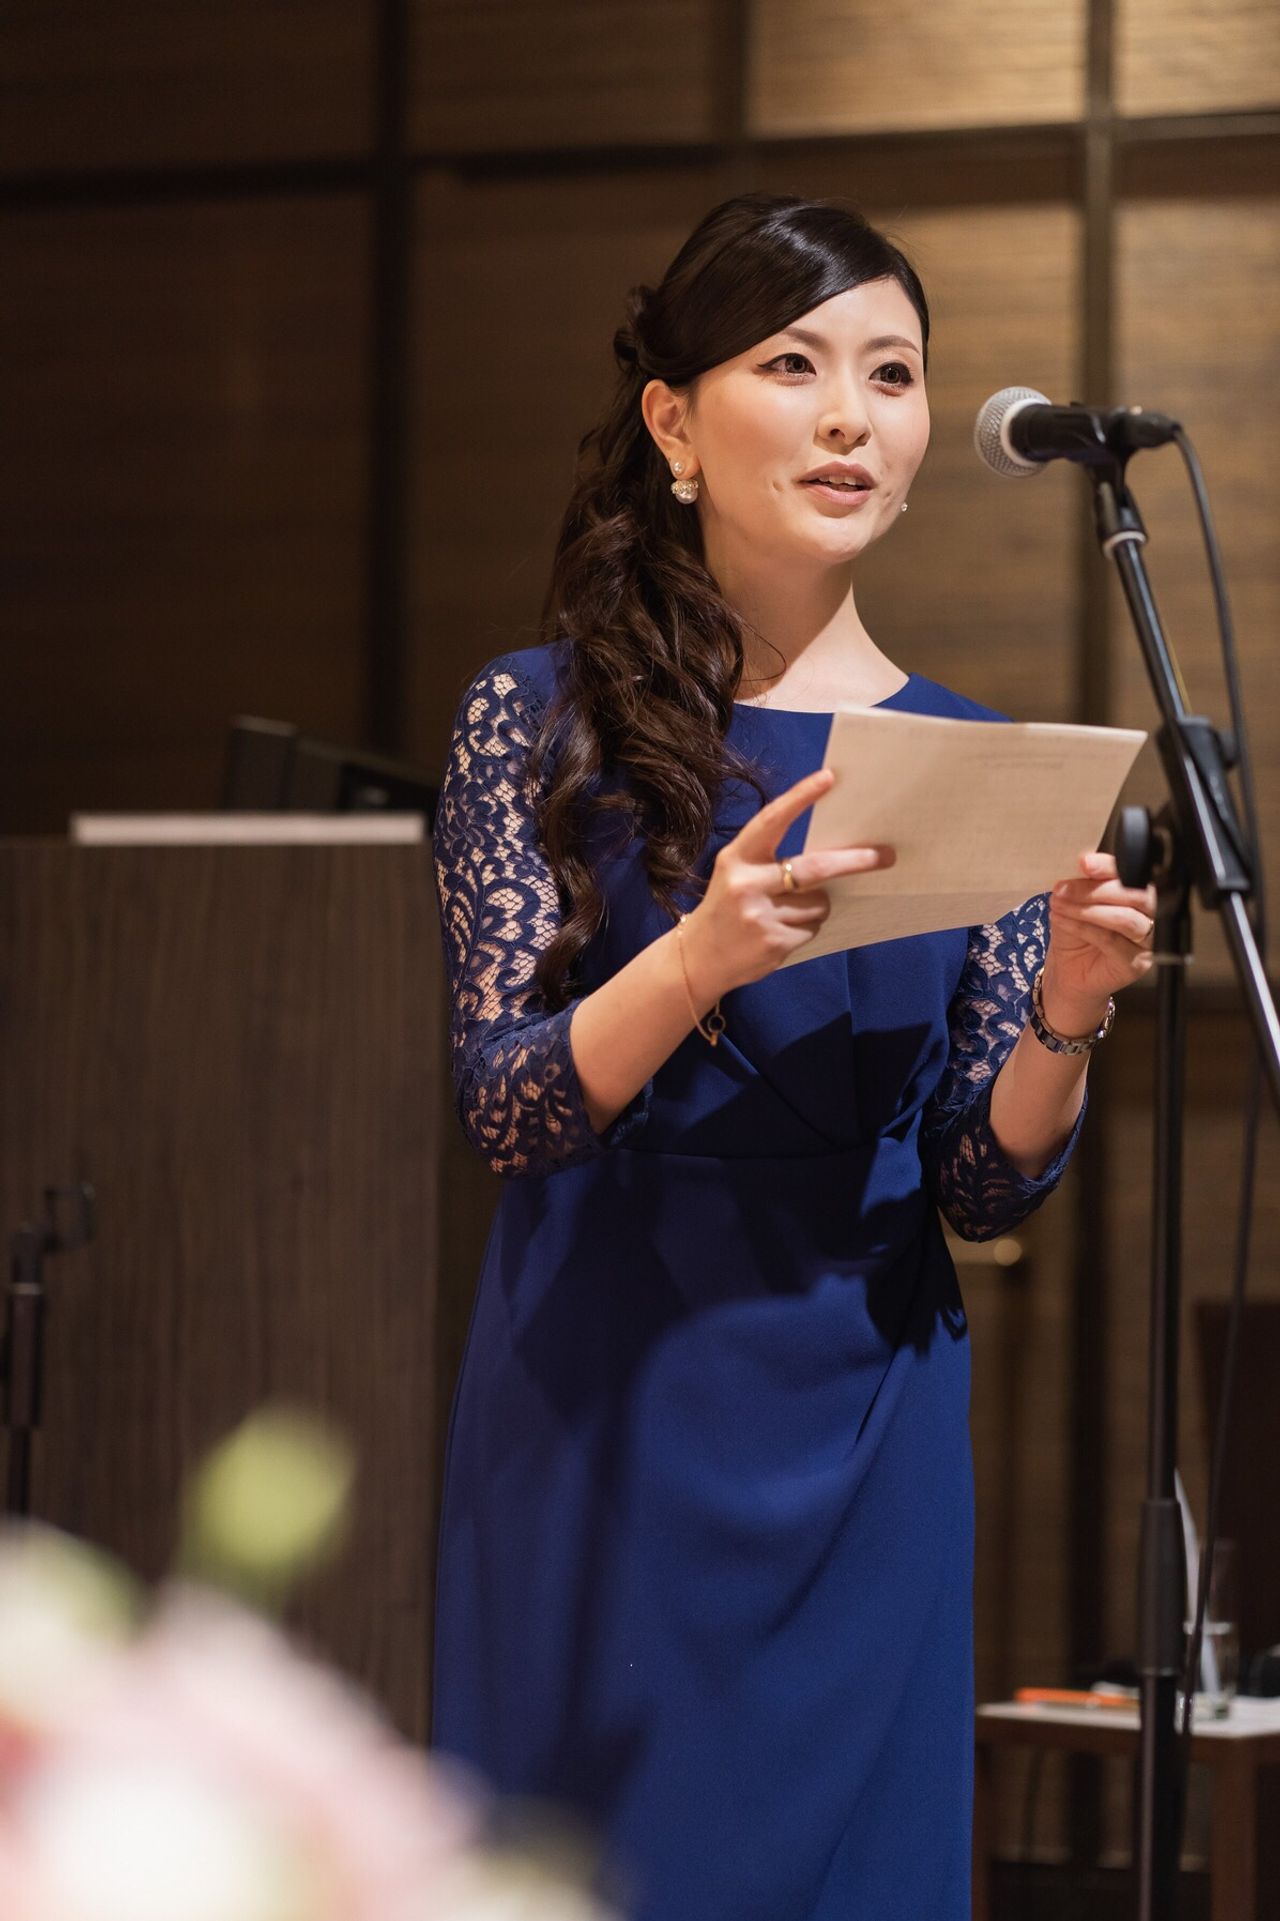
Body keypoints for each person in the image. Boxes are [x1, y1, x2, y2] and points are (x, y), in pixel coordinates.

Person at [428, 192, 1154, 1920]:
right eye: (794, 364)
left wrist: (1066, 1004)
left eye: (892, 376)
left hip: (868, 1418)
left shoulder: (970, 752)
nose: (852, 416)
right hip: (605, 1403)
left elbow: (980, 1175)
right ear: (674, 423)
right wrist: (700, 954)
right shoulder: (533, 715)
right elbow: (504, 1102)